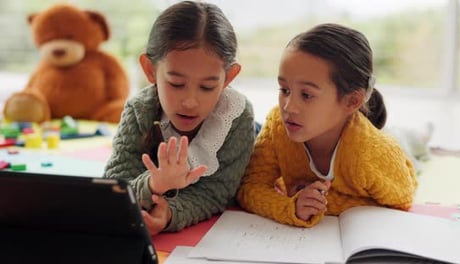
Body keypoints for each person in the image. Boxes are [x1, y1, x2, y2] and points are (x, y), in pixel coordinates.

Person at [237, 23, 418, 227]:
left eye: (306, 95)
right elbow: (250, 187)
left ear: (351, 101)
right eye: (284, 90)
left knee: (411, 144)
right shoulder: (278, 125)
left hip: (391, 157)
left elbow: (403, 201)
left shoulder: (371, 154)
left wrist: (323, 204)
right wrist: (291, 208)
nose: (288, 107)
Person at [104, 1, 255, 234]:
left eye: (207, 87)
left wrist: (171, 213)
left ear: (228, 77)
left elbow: (217, 192)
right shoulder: (140, 110)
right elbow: (114, 187)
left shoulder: (236, 117)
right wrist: (155, 183)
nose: (190, 101)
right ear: (150, 70)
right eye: (176, 84)